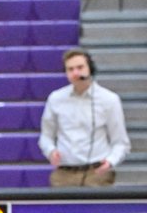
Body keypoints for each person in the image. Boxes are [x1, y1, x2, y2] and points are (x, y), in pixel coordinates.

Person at [39, 48, 130, 187]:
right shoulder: (55, 98)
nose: (76, 73)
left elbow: (121, 142)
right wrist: (51, 151)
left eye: (80, 67)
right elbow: (46, 136)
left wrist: (110, 161)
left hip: (97, 172)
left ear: (90, 69)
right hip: (65, 172)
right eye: (70, 69)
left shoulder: (109, 99)